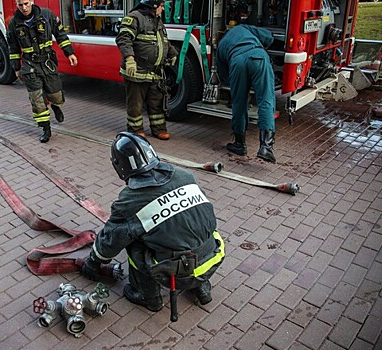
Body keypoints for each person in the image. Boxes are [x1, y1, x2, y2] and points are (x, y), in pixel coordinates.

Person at [81, 132, 225, 314]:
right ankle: (201, 286)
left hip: (177, 270)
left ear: (120, 166)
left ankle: (148, 297)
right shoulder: (184, 175)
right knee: (189, 231)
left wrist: (93, 261)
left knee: (132, 241)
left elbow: (112, 238)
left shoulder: (130, 200)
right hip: (213, 255)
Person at [6, 0, 78, 143]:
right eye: (20, 5)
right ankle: (46, 128)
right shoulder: (14, 23)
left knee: (56, 95)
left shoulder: (46, 15)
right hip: (30, 65)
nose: (24, 8)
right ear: (16, 4)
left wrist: (69, 53)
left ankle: (56, 106)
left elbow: (60, 35)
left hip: (47, 62)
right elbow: (13, 48)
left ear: (32, 1)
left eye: (26, 3)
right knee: (36, 98)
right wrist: (16, 68)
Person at [115, 0, 178, 141]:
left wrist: (172, 53)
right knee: (135, 103)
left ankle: (159, 129)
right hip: (137, 71)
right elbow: (123, 39)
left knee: (157, 102)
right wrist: (130, 59)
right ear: (153, 5)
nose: (163, 9)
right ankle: (135, 130)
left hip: (155, 73)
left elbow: (163, 40)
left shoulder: (157, 20)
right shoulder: (135, 17)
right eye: (161, 6)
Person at [216, 24, 277, 163]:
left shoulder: (221, 46)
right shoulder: (243, 28)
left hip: (236, 62)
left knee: (239, 103)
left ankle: (240, 144)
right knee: (266, 100)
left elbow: (223, 74)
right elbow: (268, 37)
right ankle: (266, 147)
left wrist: (238, 86)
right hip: (258, 57)